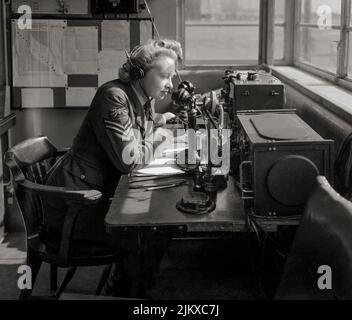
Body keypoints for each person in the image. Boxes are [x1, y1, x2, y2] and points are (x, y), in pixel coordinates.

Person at [43, 39, 183, 297]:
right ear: (139, 73)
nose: (170, 85)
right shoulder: (113, 96)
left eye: (171, 77)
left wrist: (163, 119)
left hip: (101, 193)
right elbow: (129, 160)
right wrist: (164, 134)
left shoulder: (143, 96)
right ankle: (122, 290)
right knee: (149, 231)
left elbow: (142, 129)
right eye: (164, 76)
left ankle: (134, 284)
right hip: (76, 205)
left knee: (163, 224)